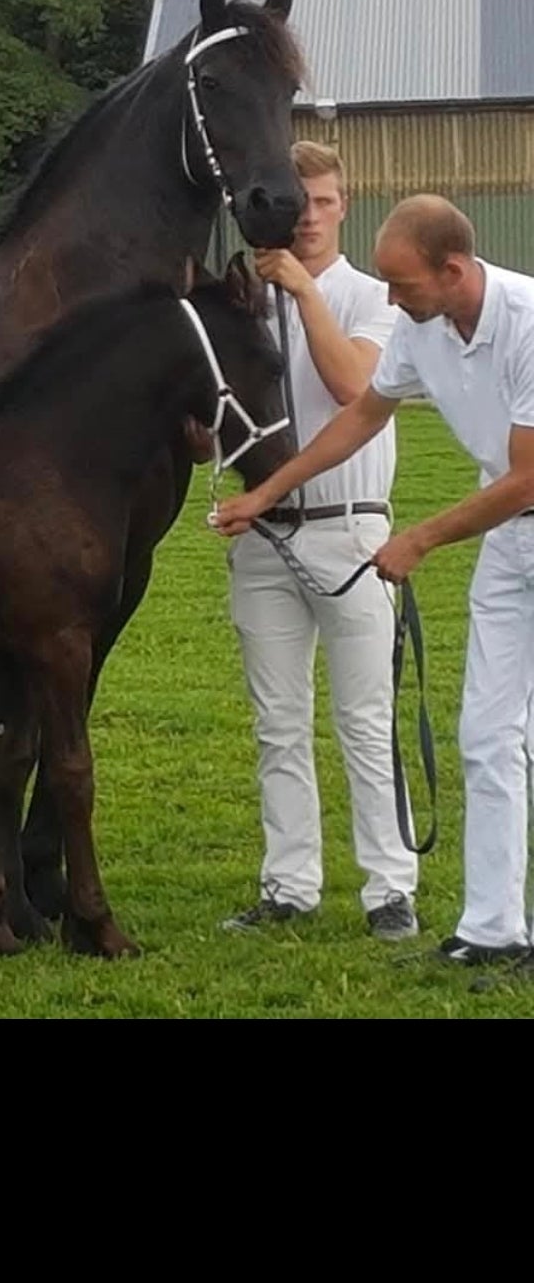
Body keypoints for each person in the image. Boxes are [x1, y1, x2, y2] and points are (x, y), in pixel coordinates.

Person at [215, 194, 534, 971]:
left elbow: (529, 477)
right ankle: (494, 932)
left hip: (516, 503)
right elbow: (360, 417)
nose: (392, 300)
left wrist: (419, 538)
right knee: (486, 739)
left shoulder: (527, 320)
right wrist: (265, 492)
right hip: (512, 545)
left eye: (404, 285)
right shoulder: (424, 328)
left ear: (453, 270)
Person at [220, 141, 417, 940]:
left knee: (366, 719)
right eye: (295, 205)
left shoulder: (375, 300)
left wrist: (303, 293)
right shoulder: (242, 302)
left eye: (324, 203)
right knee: (278, 722)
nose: (307, 220)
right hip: (265, 535)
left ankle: (389, 889)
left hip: (350, 528)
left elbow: (352, 389)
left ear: (344, 205)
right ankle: (289, 884)